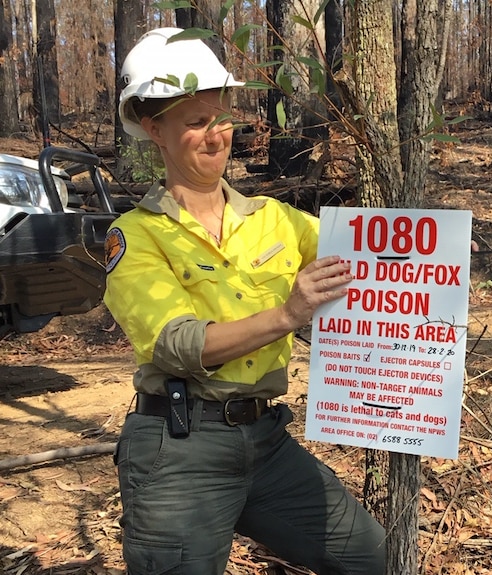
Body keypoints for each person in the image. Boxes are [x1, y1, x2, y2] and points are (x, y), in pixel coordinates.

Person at [104, 27, 386, 575]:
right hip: (178, 450)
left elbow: (365, 253)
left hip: (266, 441)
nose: (216, 136)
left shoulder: (275, 219)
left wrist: (434, 252)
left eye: (221, 117)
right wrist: (287, 315)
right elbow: (177, 344)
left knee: (371, 557)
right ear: (152, 128)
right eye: (195, 122)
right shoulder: (136, 236)